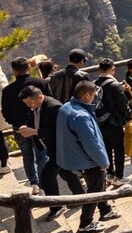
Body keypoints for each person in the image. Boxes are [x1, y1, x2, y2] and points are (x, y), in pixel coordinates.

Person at [57, 80, 120, 233]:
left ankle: (105, 209)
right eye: (93, 95)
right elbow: (91, 143)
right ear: (86, 95)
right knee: (94, 190)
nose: (94, 98)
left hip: (73, 156)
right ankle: (85, 223)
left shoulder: (66, 107)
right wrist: (103, 162)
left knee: (99, 184)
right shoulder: (81, 116)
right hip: (88, 160)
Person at [20, 86, 84, 219]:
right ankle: (80, 196)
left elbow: (58, 131)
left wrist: (35, 132)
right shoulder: (35, 106)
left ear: (39, 97)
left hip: (60, 147)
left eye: (30, 102)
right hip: (50, 147)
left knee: (47, 176)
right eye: (26, 103)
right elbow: (34, 121)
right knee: (66, 172)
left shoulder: (54, 107)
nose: (28, 106)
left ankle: (56, 206)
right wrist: (26, 127)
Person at [2, 57, 50, 189]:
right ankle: (44, 183)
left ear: (14, 71)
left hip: (19, 128)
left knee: (27, 156)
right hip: (38, 126)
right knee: (42, 155)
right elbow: (49, 103)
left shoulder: (8, 90)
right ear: (28, 67)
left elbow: (5, 111)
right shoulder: (40, 83)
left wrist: (15, 123)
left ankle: (34, 183)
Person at [94, 59, 132, 183]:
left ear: (99, 69)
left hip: (100, 121)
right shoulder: (115, 85)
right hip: (114, 122)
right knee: (119, 149)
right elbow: (123, 104)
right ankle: (119, 177)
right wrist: (129, 117)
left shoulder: (94, 83)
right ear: (113, 69)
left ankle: (109, 174)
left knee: (107, 148)